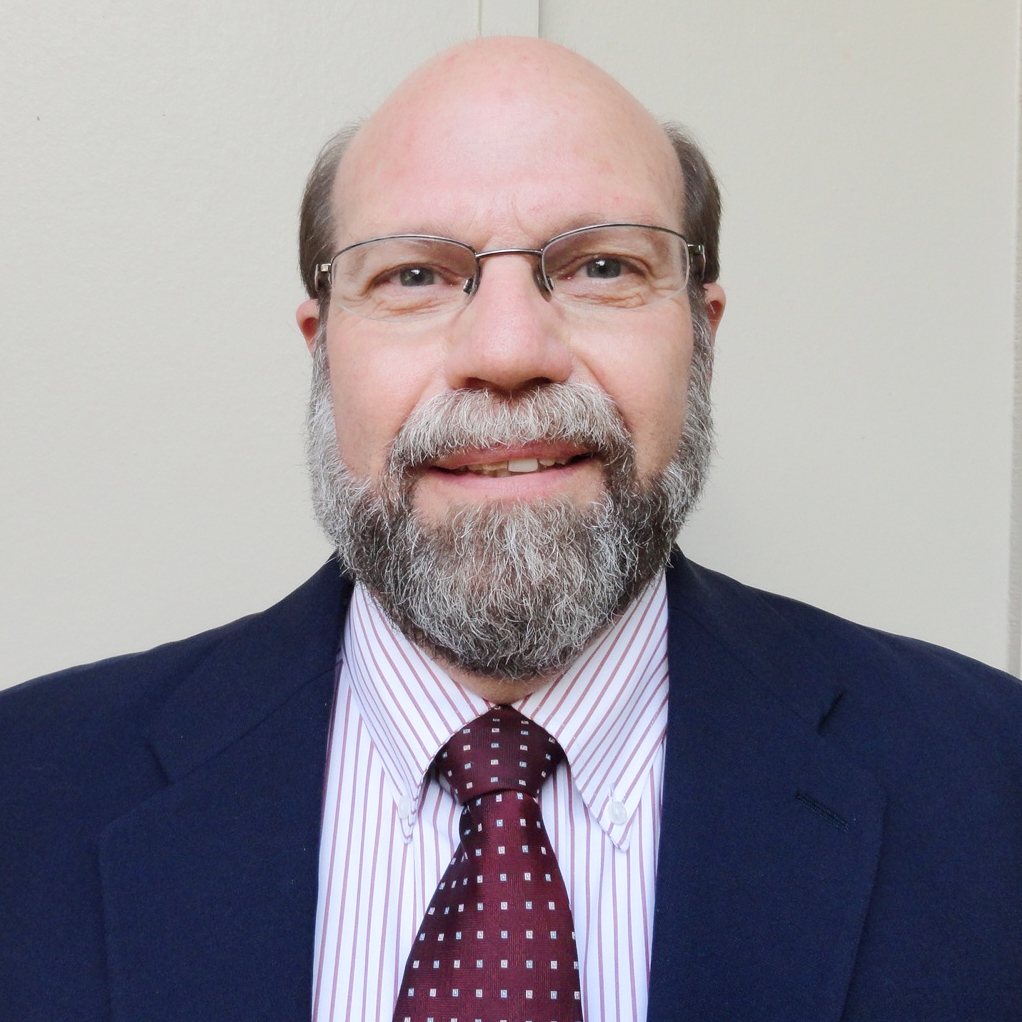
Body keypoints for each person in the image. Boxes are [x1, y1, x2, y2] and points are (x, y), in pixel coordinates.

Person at [2, 35, 1021, 1022]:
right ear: (322, 352)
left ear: (701, 337)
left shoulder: (991, 783)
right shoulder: (25, 791)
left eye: (602, 267)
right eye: (413, 275)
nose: (505, 349)